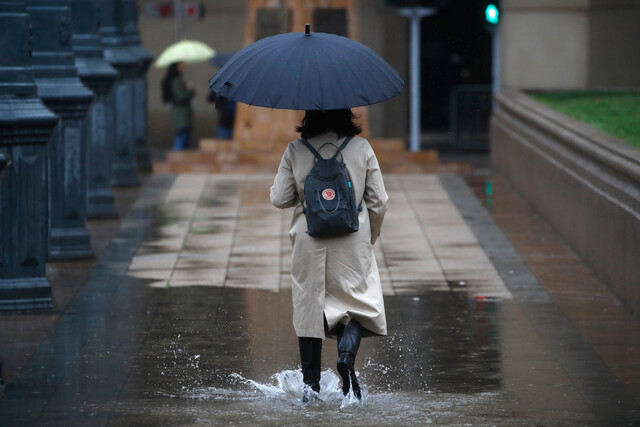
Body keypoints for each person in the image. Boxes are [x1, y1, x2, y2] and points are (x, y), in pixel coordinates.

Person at [270, 109, 388, 402]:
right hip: (352, 242)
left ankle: (310, 388)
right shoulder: (361, 148)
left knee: (309, 307)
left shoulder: (296, 150)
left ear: (309, 116)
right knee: (358, 303)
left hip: (309, 243)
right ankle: (346, 356)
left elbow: (280, 198)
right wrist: (369, 237)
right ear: (346, 114)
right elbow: (379, 201)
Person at [162, 62, 196, 150]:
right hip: (181, 115)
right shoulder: (176, 80)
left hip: (181, 114)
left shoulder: (176, 79)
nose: (184, 68)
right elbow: (180, 96)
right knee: (181, 139)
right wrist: (190, 90)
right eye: (182, 66)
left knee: (182, 138)